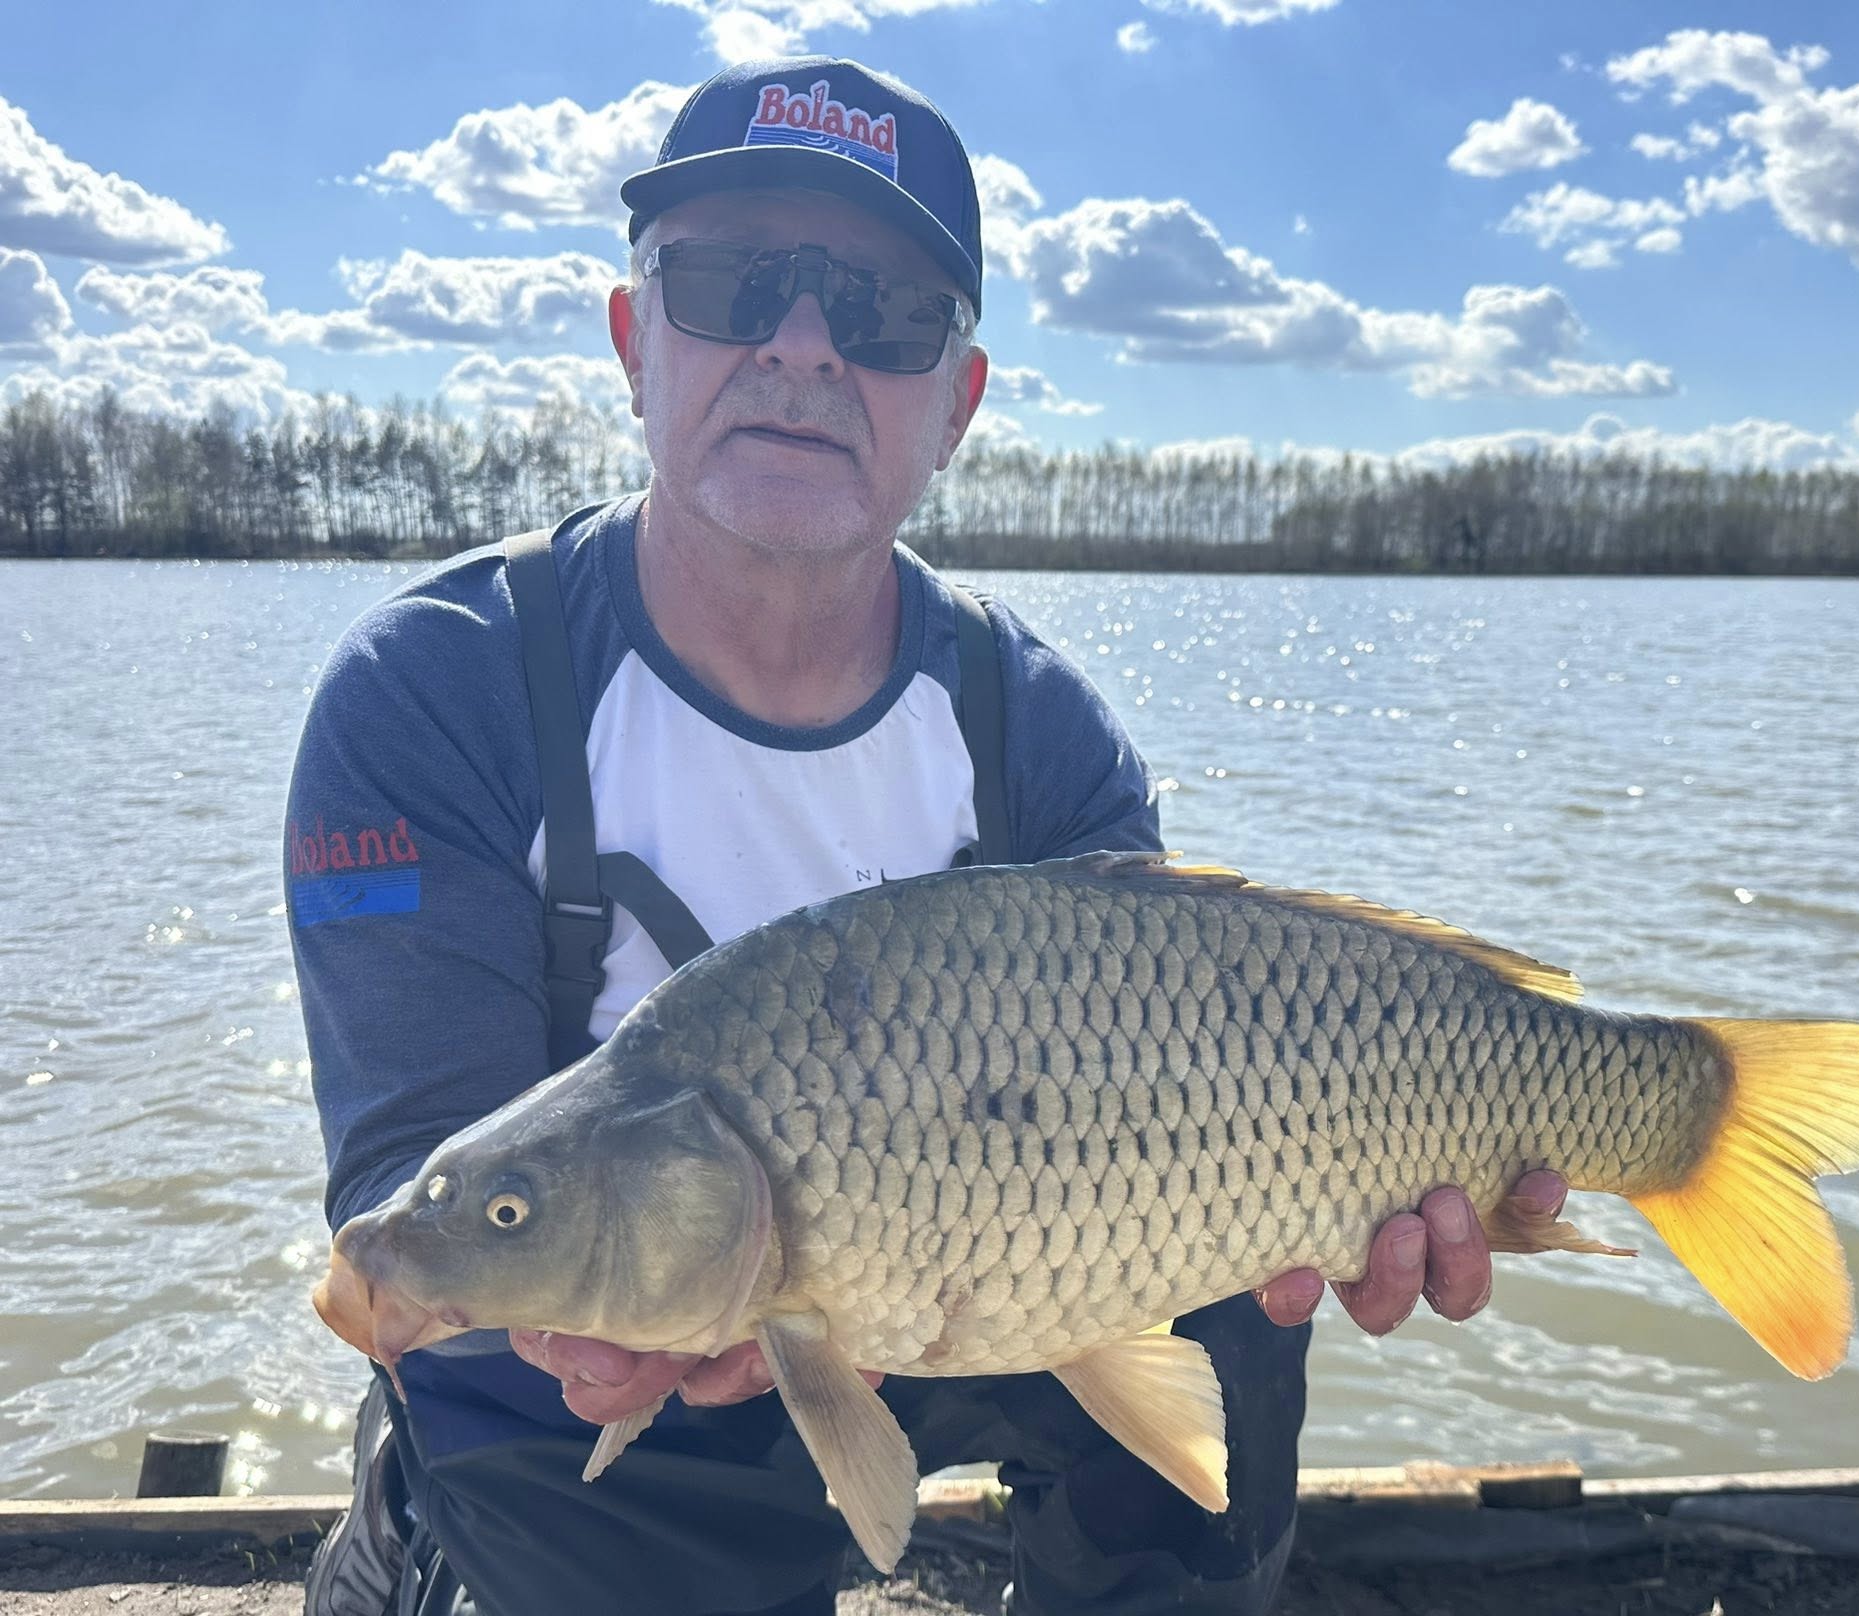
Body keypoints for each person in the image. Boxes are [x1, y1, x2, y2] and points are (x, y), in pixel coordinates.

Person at [287, 54, 1572, 1616]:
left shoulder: (1035, 726)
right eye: (732, 284)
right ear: (635, 341)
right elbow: (411, 1182)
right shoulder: (442, 689)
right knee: (500, 1322)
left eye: (882, 313)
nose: (803, 345)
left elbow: (1214, 1058)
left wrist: (1400, 1168)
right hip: (601, 1371)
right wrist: (580, 1328)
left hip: (988, 1285)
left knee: (1243, 1271)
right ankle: (417, 1534)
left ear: (956, 406)